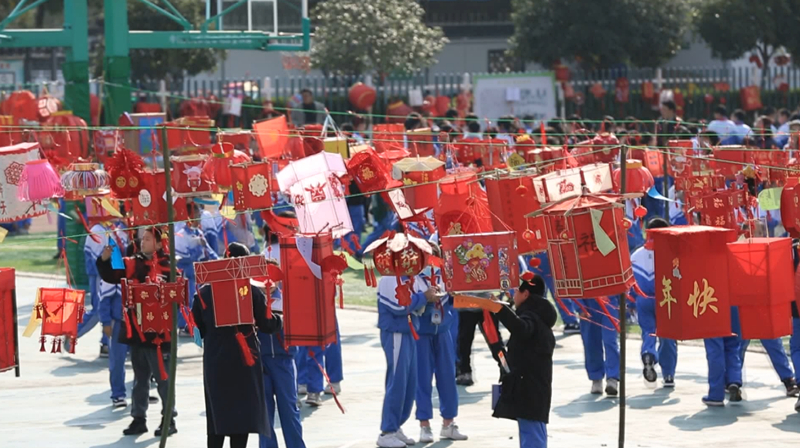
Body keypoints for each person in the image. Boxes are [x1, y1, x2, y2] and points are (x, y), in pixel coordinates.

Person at [192, 242, 283, 448]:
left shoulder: (204, 293)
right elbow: (267, 324)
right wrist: (281, 320)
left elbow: (197, 328)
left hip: (215, 360)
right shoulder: (250, 291)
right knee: (242, 417)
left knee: (217, 416)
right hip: (243, 360)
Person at [96, 228, 177, 436]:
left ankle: (169, 419)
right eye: (143, 239)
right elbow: (112, 274)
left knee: (164, 379)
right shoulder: (132, 263)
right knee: (140, 379)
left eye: (148, 239)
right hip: (138, 332)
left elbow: (177, 295)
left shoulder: (169, 266)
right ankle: (138, 418)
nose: (143, 242)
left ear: (158, 244)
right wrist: (104, 259)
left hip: (160, 334)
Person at [490, 273, 556, 448]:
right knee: (532, 433)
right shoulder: (538, 317)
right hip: (531, 390)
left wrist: (500, 309)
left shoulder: (532, 318)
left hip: (530, 390)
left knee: (532, 436)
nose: (514, 295)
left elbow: (521, 328)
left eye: (517, 291)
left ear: (525, 294)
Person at [375, 272, 438, 448]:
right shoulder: (389, 278)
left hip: (410, 332)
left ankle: (396, 426)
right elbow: (400, 306)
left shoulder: (413, 278)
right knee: (397, 382)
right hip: (396, 332)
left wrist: (431, 296)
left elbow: (421, 302)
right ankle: (387, 432)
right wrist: (424, 297)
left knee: (409, 384)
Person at [415, 251, 468, 443]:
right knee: (422, 378)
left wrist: (455, 294)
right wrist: (424, 298)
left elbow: (456, 300)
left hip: (443, 331)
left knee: (447, 376)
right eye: (427, 256)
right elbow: (407, 303)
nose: (432, 261)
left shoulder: (447, 275)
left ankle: (448, 423)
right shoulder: (412, 277)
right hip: (421, 334)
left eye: (435, 256)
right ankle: (424, 425)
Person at [256, 259, 306, 448]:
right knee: (264, 413)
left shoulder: (288, 299)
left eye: (273, 275)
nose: (268, 282)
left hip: (284, 361)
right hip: (260, 362)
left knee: (289, 409)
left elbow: (300, 327)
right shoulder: (252, 300)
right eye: (263, 276)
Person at [631, 218, 678, 387]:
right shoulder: (672, 253)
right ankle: (668, 375)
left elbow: (630, 283)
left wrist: (631, 304)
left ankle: (648, 354)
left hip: (643, 299)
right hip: (666, 299)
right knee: (668, 336)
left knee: (648, 332)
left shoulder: (635, 255)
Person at [175, 214, 218, 333]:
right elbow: (181, 257)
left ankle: (195, 325)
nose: (198, 220)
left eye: (198, 216)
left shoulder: (199, 232)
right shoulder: (180, 235)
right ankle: (184, 326)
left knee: (199, 300)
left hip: (198, 274)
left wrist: (217, 260)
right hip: (186, 274)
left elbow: (208, 251)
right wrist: (196, 249)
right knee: (187, 300)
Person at [579, 296, 620, 396]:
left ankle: (612, 378)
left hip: (609, 302)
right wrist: (580, 307)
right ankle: (596, 378)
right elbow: (574, 286)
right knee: (591, 343)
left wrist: (623, 301)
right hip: (588, 304)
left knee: (610, 341)